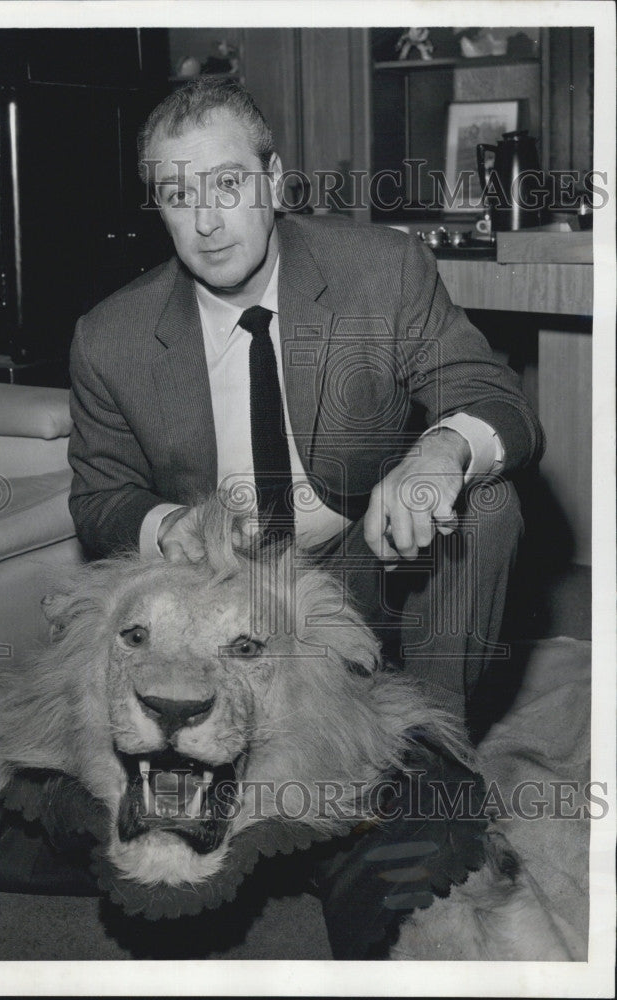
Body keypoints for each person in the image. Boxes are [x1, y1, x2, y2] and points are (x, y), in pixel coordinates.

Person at [67, 78, 544, 956]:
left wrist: (434, 458)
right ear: (158, 210)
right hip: (224, 603)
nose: (208, 220)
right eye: (178, 195)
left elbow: (491, 398)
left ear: (274, 180)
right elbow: (98, 498)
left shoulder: (381, 270)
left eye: (227, 185)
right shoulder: (111, 336)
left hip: (370, 562)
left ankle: (433, 765)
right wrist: (164, 525)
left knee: (491, 502)